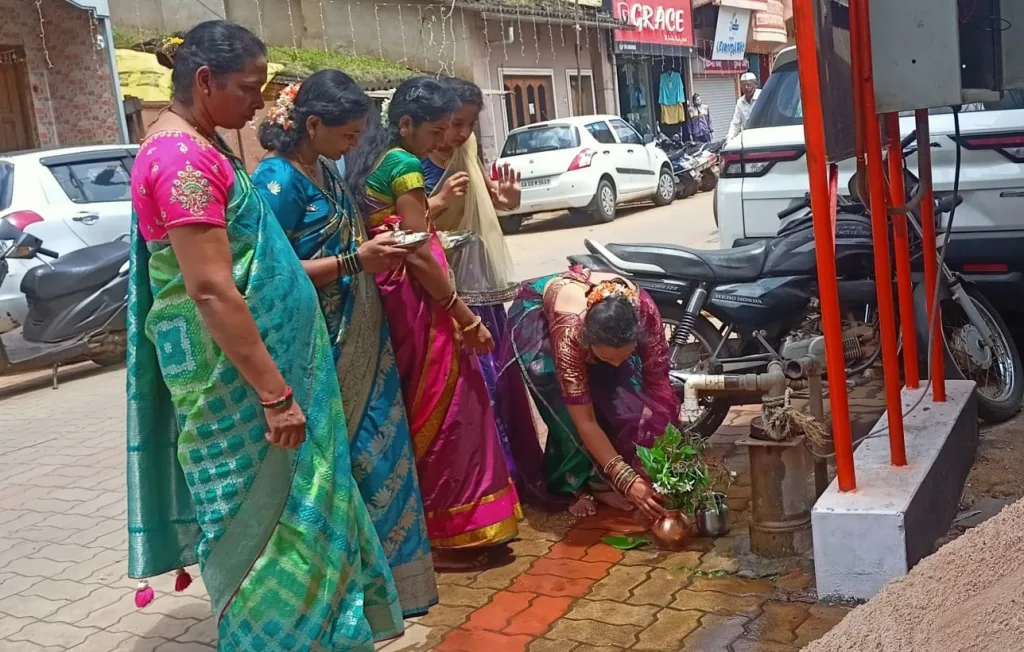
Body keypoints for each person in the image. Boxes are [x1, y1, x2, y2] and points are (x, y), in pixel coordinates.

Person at [125, 21, 403, 649]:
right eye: (249, 88)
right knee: (266, 519)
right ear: (204, 81)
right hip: (234, 380)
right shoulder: (181, 159)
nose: (260, 103)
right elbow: (210, 289)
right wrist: (274, 394)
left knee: (301, 508)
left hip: (254, 366)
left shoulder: (195, 145)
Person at [251, 70, 438, 618]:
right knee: (348, 464)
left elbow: (346, 241)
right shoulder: (277, 183)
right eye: (349, 135)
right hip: (320, 349)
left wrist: (372, 244)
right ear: (312, 124)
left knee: (382, 454)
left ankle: (399, 589)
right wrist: (357, 260)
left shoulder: (326, 171)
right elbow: (270, 276)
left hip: (363, 334)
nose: (356, 145)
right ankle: (353, 600)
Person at [347, 77, 521, 566]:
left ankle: (447, 527)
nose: (443, 141)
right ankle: (453, 533)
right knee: (451, 412)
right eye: (438, 130)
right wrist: (463, 317)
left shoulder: (375, 161)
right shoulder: (403, 165)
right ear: (407, 124)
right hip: (423, 302)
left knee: (435, 409)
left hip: (403, 298)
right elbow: (419, 250)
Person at [497, 266, 680, 519]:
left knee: (630, 397)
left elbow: (659, 387)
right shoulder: (570, 334)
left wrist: (665, 459)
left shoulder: (646, 314)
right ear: (587, 341)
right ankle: (581, 482)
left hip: (602, 323)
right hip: (539, 318)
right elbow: (586, 421)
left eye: (624, 356)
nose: (616, 365)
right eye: (608, 358)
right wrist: (627, 480)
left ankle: (607, 469)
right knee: (566, 413)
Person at [421, 76, 534, 473]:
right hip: (442, 286)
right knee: (470, 386)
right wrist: (435, 204)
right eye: (454, 124)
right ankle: (485, 476)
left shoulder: (466, 149)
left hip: (479, 279)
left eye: (470, 124)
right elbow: (396, 224)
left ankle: (512, 474)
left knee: (499, 377)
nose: (461, 133)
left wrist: (508, 200)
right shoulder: (409, 160)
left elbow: (491, 197)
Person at [727, 72, 761, 141]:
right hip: (748, 138)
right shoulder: (740, 102)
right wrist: (729, 138)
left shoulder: (762, 96)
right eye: (743, 85)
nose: (746, 88)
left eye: (749, 85)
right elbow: (735, 124)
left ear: (755, 85)